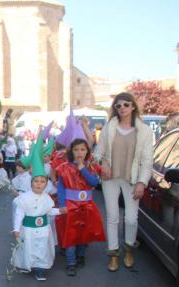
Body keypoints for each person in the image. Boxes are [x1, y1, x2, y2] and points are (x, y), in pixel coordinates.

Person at [95, 92, 154, 272]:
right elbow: (98, 152)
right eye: (118, 106)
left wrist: (142, 183)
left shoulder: (144, 131)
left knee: (130, 219)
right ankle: (113, 254)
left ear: (133, 106)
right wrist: (103, 161)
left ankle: (129, 248)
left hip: (132, 179)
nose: (122, 108)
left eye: (126, 105)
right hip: (110, 179)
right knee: (112, 217)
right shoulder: (109, 127)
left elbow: (147, 161)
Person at [57, 138, 106, 276]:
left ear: (87, 152)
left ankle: (81, 256)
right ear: (71, 151)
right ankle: (71, 262)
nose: (79, 152)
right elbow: (61, 187)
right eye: (76, 149)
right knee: (70, 234)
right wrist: (62, 204)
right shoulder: (64, 168)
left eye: (83, 149)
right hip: (70, 206)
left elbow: (94, 182)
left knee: (84, 233)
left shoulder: (90, 167)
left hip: (87, 206)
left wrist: (82, 169)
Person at [11, 149, 62, 281]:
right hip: (28, 229)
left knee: (42, 247)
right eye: (36, 181)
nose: (39, 184)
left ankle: (40, 269)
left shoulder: (46, 198)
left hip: (43, 229)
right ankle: (28, 265)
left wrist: (60, 211)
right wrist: (16, 229)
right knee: (29, 247)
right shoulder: (24, 198)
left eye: (42, 181)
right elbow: (19, 213)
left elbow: (49, 211)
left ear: (46, 184)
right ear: (31, 182)